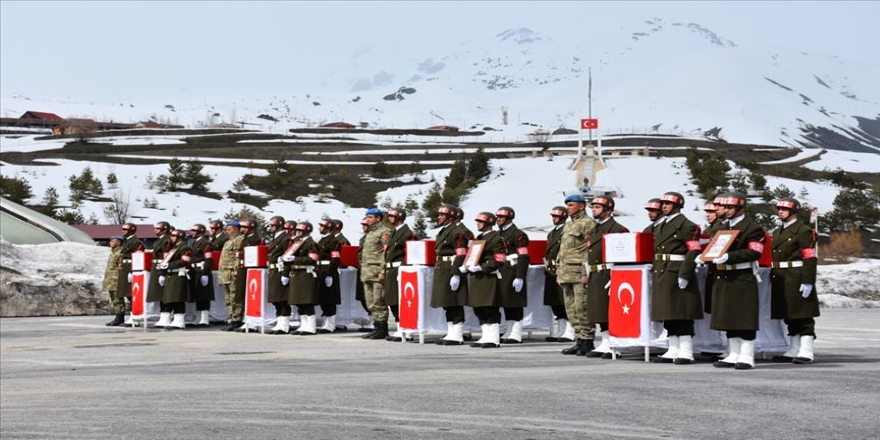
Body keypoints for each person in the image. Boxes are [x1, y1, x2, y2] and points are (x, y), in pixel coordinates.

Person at [709, 192, 766, 370]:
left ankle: (747, 355)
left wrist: (729, 256)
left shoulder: (752, 227)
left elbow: (755, 252)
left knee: (744, 317)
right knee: (728, 316)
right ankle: (733, 353)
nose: (726, 210)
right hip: (725, 276)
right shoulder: (723, 227)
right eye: (725, 207)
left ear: (741, 208)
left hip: (742, 276)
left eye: (730, 207)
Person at [649, 192, 703, 364]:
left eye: (668, 204)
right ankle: (673, 348)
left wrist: (685, 273)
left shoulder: (687, 226)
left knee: (682, 312)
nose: (663, 206)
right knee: (668, 311)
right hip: (661, 270)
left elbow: (693, 250)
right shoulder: (660, 226)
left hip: (676, 270)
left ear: (678, 206)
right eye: (662, 203)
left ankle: (686, 350)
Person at [770, 197, 820, 365]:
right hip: (781, 275)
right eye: (779, 209)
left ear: (794, 212)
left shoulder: (803, 230)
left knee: (803, 314)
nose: (780, 212)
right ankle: (793, 348)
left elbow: (810, 257)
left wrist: (808, 280)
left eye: (784, 210)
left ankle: (806, 351)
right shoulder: (777, 232)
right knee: (789, 314)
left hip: (797, 275)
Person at [584, 196, 630, 359]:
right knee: (599, 311)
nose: (593, 209)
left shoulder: (618, 229)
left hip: (609, 273)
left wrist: (618, 275)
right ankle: (605, 341)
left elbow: (624, 254)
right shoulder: (594, 229)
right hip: (596, 273)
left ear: (608, 209)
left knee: (611, 311)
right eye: (593, 206)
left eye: (597, 207)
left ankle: (614, 343)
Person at [557, 194, 597, 355]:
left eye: (571, 205)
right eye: (567, 205)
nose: (568, 208)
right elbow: (563, 251)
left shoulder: (588, 224)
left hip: (579, 273)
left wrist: (585, 272)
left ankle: (588, 340)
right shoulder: (568, 225)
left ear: (581, 206)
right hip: (566, 273)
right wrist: (559, 273)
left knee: (582, 308)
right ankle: (579, 339)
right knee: (571, 309)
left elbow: (590, 250)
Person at [431, 204, 473, 346]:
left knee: (455, 303)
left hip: (451, 268)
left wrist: (455, 273)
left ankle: (457, 334)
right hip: (442, 268)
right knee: (447, 303)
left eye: (442, 215)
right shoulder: (444, 231)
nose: (439, 217)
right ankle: (451, 331)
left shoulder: (457, 232)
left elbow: (460, 254)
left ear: (450, 217)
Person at [466, 212, 507, 348]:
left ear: (488, 223)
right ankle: (485, 335)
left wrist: (483, 267)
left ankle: (494, 338)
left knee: (490, 308)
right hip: (477, 277)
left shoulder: (496, 238)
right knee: (479, 308)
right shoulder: (479, 238)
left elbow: (500, 259)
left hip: (488, 277)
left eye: (480, 221)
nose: (477, 223)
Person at [494, 206, 530, 344]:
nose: (498, 220)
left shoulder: (518, 235)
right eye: (497, 217)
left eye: (501, 217)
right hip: (501, 269)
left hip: (512, 269)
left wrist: (520, 276)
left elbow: (524, 256)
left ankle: (516, 332)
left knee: (514, 302)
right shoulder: (498, 234)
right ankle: (509, 330)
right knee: (505, 302)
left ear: (509, 218)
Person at [382, 209, 419, 342]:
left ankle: (407, 330)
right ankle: (400, 328)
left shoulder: (407, 233)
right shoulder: (394, 232)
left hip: (400, 270)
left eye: (392, 216)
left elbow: (410, 253)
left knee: (403, 301)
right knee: (393, 301)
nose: (390, 218)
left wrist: (405, 270)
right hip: (391, 271)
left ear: (400, 218)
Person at [282, 222, 320, 335]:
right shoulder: (297, 242)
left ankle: (311, 326)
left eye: (300, 230)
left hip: (305, 274)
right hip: (296, 273)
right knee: (298, 302)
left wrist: (296, 259)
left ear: (307, 231)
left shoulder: (311, 243)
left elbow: (313, 259)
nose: (297, 232)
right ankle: (304, 325)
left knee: (306, 302)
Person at [360, 208, 392, 340]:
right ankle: (376, 327)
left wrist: (383, 271)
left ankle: (383, 329)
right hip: (367, 273)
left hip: (377, 273)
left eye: (370, 217)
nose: (367, 219)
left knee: (379, 301)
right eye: (367, 217)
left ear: (378, 218)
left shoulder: (384, 232)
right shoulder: (370, 233)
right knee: (370, 303)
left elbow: (386, 253)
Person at [544, 206, 574, 343]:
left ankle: (569, 330)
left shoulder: (567, 230)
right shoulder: (551, 233)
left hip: (562, 269)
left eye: (556, 216)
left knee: (564, 301)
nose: (553, 218)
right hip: (551, 270)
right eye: (553, 216)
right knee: (555, 301)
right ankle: (561, 329)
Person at [156, 229, 193, 329]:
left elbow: (185, 261)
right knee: (170, 298)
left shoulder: (185, 247)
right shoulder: (174, 248)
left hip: (179, 275)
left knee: (178, 298)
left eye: (173, 235)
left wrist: (169, 265)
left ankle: (179, 320)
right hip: (171, 275)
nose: (171, 237)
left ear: (179, 237)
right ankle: (170, 319)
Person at [233, 219, 265, 332]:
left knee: (250, 295)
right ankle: (247, 319)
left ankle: (252, 321)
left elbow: (256, 253)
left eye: (245, 228)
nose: (243, 229)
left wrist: (240, 254)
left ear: (251, 228)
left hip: (251, 269)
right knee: (242, 295)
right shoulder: (245, 238)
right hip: (243, 268)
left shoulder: (257, 239)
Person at [315, 218, 346, 333]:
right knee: (323, 298)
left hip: (328, 271)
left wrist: (329, 274)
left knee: (329, 299)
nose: (319, 228)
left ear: (327, 227)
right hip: (321, 271)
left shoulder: (334, 241)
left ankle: (330, 324)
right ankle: (326, 322)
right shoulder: (322, 240)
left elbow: (335, 259)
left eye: (321, 226)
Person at [265, 216, 292, 334]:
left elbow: (287, 257)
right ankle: (279, 322)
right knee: (276, 299)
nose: (270, 227)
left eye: (272, 225)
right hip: (273, 270)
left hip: (280, 270)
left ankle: (284, 325)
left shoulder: (286, 239)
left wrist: (285, 274)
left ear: (280, 225)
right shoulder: (275, 238)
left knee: (282, 299)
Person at [117, 223, 145, 327]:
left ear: (131, 230)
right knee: (127, 294)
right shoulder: (127, 241)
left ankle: (135, 317)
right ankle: (133, 316)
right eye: (122, 229)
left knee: (132, 294)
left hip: (129, 268)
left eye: (125, 229)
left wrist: (132, 271)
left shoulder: (135, 242)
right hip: (124, 268)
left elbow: (138, 257)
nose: (122, 231)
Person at [218, 220, 244, 331]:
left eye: (229, 229)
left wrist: (236, 272)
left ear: (236, 229)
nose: (227, 231)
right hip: (225, 274)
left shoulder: (238, 240)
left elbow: (237, 258)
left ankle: (237, 320)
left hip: (232, 273)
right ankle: (231, 318)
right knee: (228, 298)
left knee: (235, 297)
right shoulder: (228, 241)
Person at [187, 223, 214, 327]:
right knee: (198, 295)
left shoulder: (205, 243)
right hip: (195, 270)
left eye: (194, 231)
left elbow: (209, 259)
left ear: (200, 232)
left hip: (202, 270)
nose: (192, 232)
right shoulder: (193, 243)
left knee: (204, 296)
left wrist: (205, 273)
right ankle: (198, 317)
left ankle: (205, 318)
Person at [147, 221, 172, 327]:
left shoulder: (167, 241)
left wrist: (162, 272)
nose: (155, 230)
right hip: (156, 267)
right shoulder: (159, 241)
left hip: (161, 268)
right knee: (159, 294)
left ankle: (166, 316)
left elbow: (166, 258)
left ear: (164, 230)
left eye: (158, 228)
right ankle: (163, 316)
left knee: (164, 294)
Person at [702, 199, 724, 315]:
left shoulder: (722, 228)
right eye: (707, 212)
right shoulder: (708, 229)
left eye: (711, 212)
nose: (708, 215)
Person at [355, 218, 374, 332]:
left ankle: (374, 321)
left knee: (372, 297)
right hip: (362, 269)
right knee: (362, 296)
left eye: (365, 225)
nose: (363, 227)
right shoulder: (363, 238)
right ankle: (370, 319)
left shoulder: (376, 237)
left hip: (371, 269)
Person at [102, 235, 125, 326]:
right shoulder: (113, 253)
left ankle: (120, 318)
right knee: (114, 300)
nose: (110, 243)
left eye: (113, 241)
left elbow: (121, 268)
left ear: (119, 242)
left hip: (116, 281)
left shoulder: (120, 253)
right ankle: (118, 317)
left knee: (118, 300)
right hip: (111, 281)